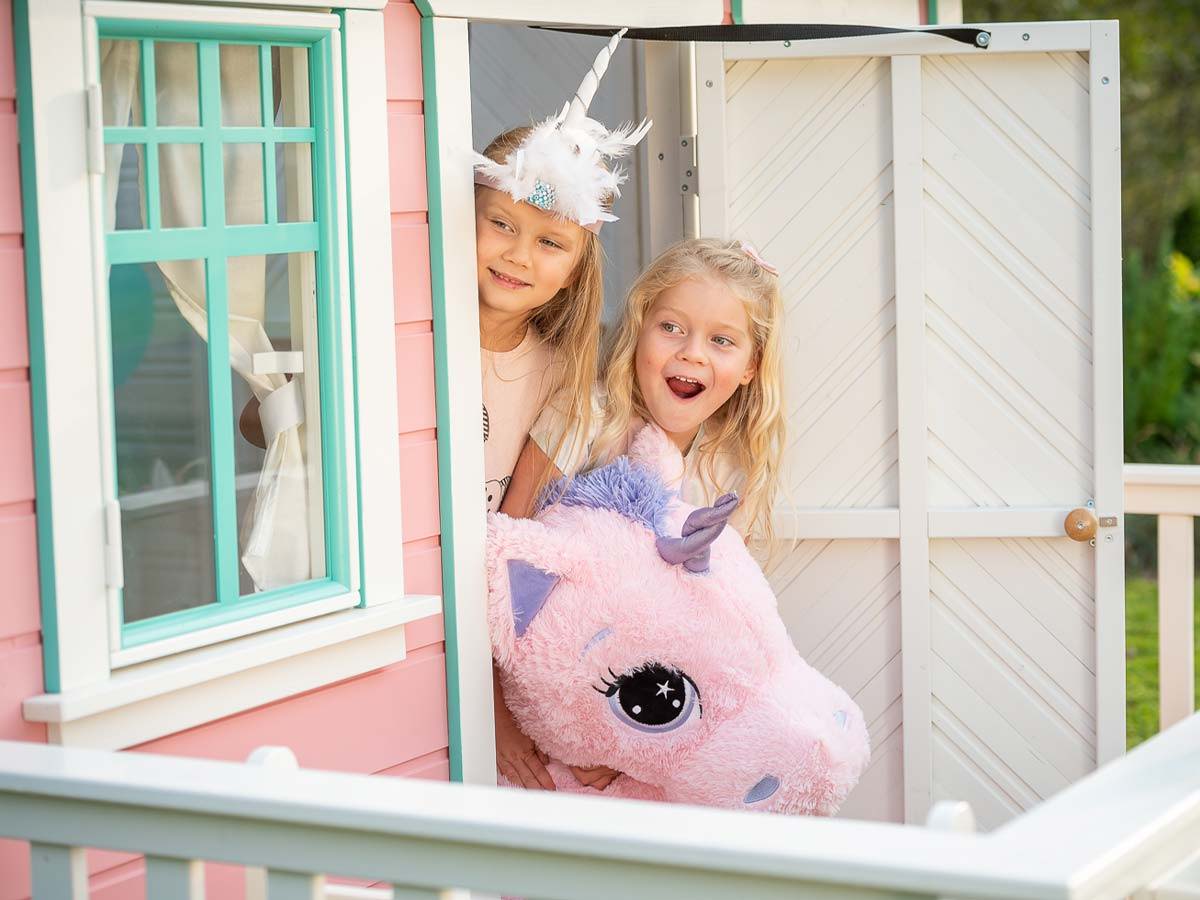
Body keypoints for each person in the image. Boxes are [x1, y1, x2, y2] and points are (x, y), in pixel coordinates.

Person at [499, 237, 787, 790]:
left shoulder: (728, 471)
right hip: (542, 710)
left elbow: (718, 629)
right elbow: (504, 564)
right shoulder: (580, 418)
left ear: (751, 366)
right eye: (672, 327)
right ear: (638, 329)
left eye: (722, 340)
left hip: (652, 728)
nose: (692, 353)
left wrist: (641, 740)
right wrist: (501, 720)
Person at [475, 30, 652, 791]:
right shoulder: (408, 346)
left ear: (578, 266)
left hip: (482, 619)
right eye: (502, 224)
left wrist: (504, 709)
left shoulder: (558, 382)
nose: (518, 255)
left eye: (550, 242)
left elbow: (512, 547)